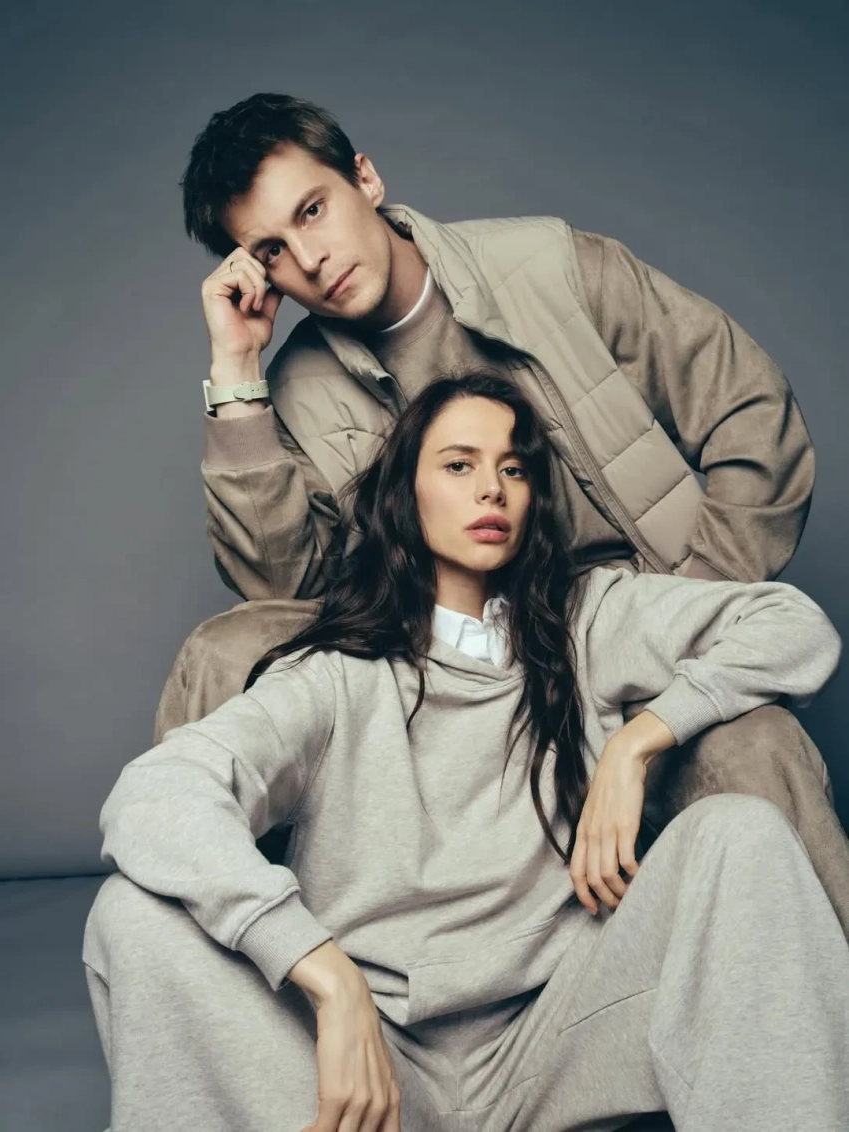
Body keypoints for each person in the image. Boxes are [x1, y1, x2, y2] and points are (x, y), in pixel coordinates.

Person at [155, 92, 849, 937]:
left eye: (313, 210)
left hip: (624, 629)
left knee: (759, 747)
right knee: (228, 650)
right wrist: (237, 375)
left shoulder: (550, 266)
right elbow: (281, 592)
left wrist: (690, 605)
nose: (310, 257)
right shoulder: (296, 389)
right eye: (272, 249)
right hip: (452, 683)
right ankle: (239, 965)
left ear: (364, 179)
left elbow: (749, 410)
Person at [85, 373, 848, 1132]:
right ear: (405, 495)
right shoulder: (331, 676)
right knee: (135, 915)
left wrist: (638, 742)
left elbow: (793, 626)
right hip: (374, 1068)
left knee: (738, 834)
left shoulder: (588, 620)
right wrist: (323, 973)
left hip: (561, 1040)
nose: (492, 489)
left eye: (513, 468)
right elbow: (158, 795)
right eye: (459, 465)